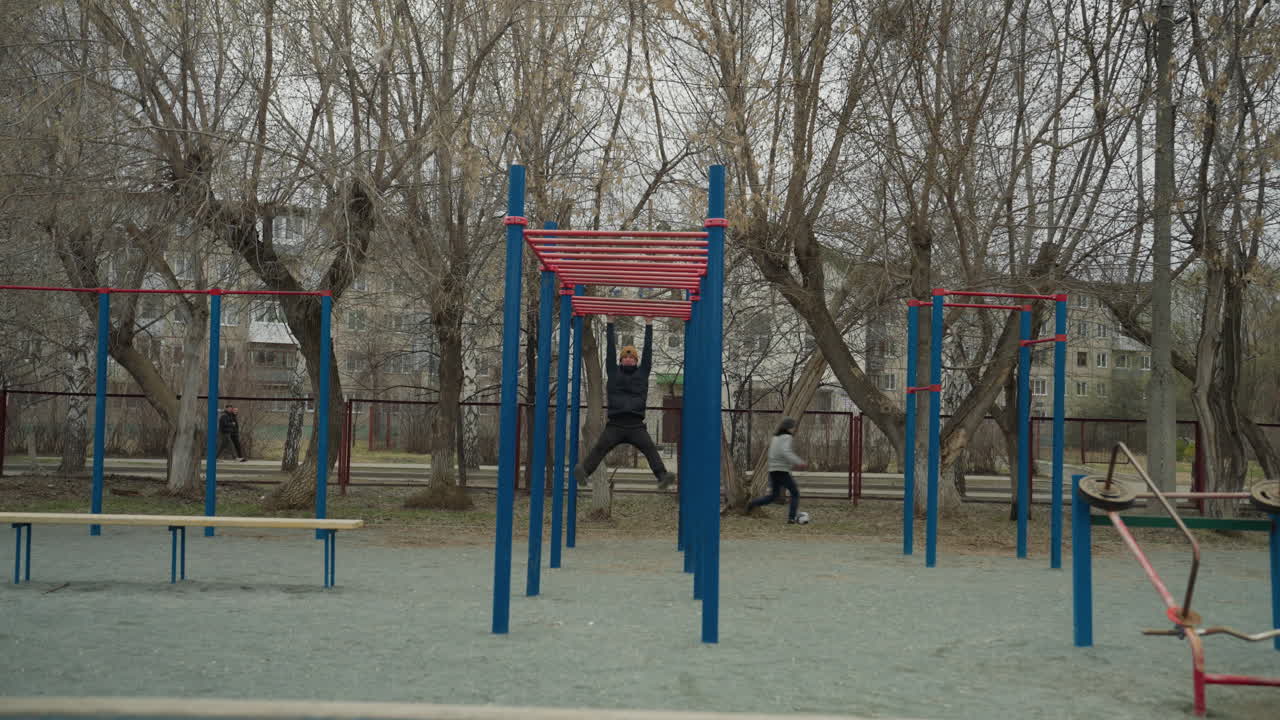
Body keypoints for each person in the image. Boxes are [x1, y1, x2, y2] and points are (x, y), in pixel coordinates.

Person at [573, 316, 675, 490]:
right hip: (615, 424)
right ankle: (583, 472)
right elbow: (610, 350)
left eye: (632, 357)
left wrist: (649, 324)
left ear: (636, 361)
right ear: (620, 360)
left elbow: (648, 352)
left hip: (636, 425)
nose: (628, 359)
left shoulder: (642, 373)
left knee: (650, 449)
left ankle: (662, 477)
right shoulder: (613, 372)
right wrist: (610, 322)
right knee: (600, 448)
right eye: (625, 357)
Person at [747, 417, 806, 523]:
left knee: (773, 496)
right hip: (782, 470)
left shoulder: (775, 437)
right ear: (789, 428)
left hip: (773, 470)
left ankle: (752, 503)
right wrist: (799, 462)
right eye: (793, 427)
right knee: (795, 493)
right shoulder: (787, 437)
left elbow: (771, 453)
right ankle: (791, 518)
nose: (794, 429)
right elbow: (785, 451)